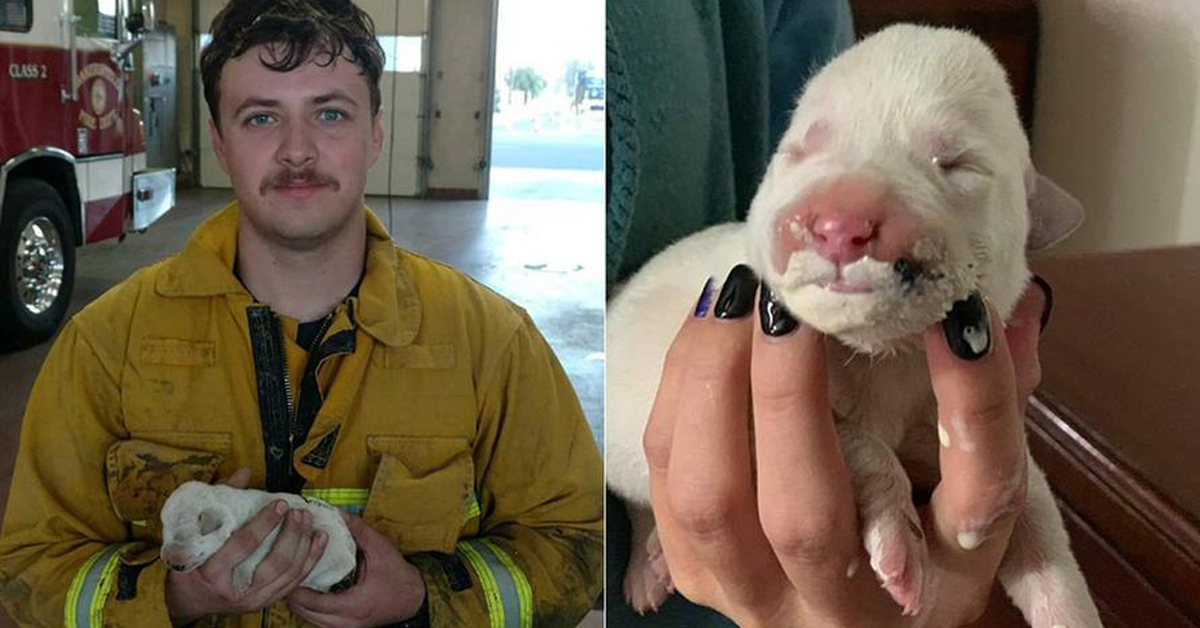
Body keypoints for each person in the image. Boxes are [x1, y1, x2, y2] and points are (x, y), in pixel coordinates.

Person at [0, 1, 603, 627]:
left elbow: (575, 545)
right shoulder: (105, 345)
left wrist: (423, 600)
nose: (297, 150)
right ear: (220, 142)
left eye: (331, 113)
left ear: (375, 133)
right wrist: (177, 597)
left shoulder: (492, 344)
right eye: (261, 117)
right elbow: (31, 571)